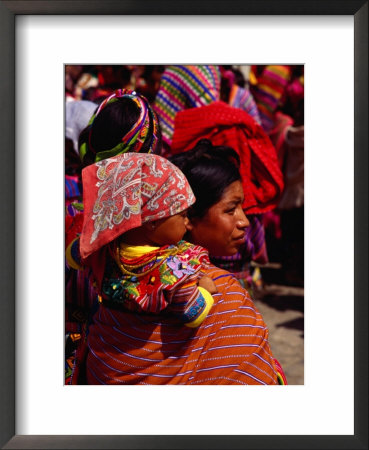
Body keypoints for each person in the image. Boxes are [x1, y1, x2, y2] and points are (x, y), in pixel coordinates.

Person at [75, 140, 286, 385]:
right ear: (190, 216)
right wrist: (206, 290)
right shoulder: (211, 288)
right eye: (231, 209)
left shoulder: (109, 257)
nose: (245, 221)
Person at [80, 152, 216, 329]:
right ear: (153, 222)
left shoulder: (105, 249)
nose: (188, 224)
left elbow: (73, 255)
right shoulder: (173, 269)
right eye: (182, 215)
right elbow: (192, 315)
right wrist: (205, 291)